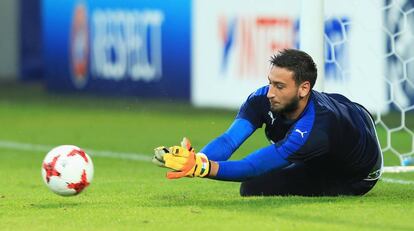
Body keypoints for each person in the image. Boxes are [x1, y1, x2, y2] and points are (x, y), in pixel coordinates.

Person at [153, 49, 383, 197]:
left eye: (280, 86)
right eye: (270, 83)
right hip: (348, 113)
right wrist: (199, 159)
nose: (270, 93)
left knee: (255, 187)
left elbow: (253, 166)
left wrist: (201, 169)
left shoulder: (315, 129)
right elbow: (230, 139)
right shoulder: (262, 98)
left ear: (304, 88)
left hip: (356, 173)